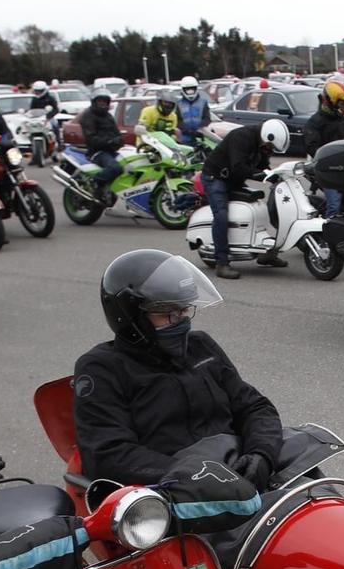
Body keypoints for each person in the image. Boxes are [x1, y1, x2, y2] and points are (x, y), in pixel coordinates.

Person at [73, 248, 282, 487]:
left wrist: (261, 454)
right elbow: (108, 454)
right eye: (169, 314)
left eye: (184, 310)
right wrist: (197, 474)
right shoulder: (102, 368)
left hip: (239, 469)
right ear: (131, 317)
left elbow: (254, 406)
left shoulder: (200, 346)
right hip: (178, 493)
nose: (181, 321)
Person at [200, 118, 288, 280]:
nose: (270, 150)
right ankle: (222, 263)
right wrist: (263, 176)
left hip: (233, 179)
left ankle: (267, 254)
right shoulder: (241, 137)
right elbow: (238, 167)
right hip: (215, 178)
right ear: (266, 137)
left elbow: (262, 166)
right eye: (271, 147)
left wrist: (276, 176)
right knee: (221, 215)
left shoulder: (262, 144)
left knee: (262, 209)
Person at [303, 80, 344, 215]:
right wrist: (329, 159)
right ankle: (329, 231)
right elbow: (312, 147)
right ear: (330, 101)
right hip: (328, 171)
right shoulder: (315, 122)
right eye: (341, 103)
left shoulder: (342, 120)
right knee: (334, 205)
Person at [80, 91, 126, 202]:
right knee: (116, 168)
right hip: (97, 152)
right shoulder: (88, 115)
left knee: (131, 165)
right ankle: (95, 183)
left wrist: (119, 140)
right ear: (94, 102)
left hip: (111, 151)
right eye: (100, 101)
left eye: (105, 102)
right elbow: (91, 139)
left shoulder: (108, 116)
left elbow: (117, 133)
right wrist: (109, 141)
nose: (102, 104)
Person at [174, 76, 212, 145]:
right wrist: (186, 130)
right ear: (183, 90)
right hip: (184, 139)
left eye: (192, 89)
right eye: (187, 90)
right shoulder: (178, 104)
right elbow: (177, 120)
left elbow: (207, 118)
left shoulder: (203, 102)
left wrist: (199, 129)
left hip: (201, 138)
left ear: (196, 88)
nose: (190, 92)